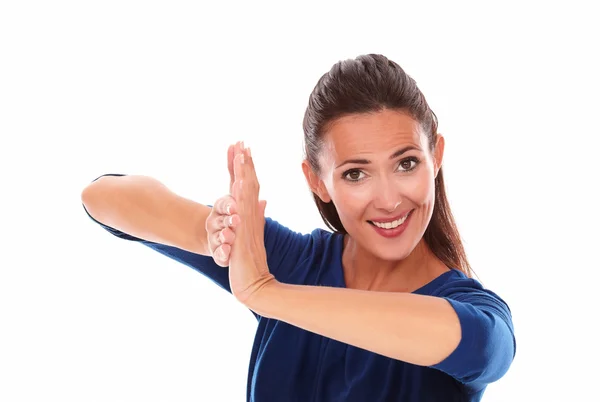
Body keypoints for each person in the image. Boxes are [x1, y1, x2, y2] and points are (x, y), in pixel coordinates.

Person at [81, 54, 516, 401]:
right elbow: (101, 198)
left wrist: (267, 293)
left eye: (406, 164)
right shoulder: (286, 261)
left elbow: (479, 347)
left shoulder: (474, 314)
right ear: (316, 181)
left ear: (435, 157)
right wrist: (212, 233)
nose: (389, 199)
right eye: (355, 174)